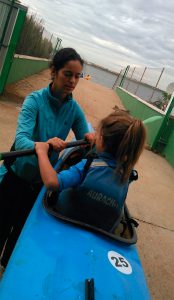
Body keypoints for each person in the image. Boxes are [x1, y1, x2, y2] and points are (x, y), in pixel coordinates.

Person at [0, 47, 95, 268]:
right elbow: (22, 139)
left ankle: (7, 270)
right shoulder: (34, 101)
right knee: (2, 225)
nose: (73, 81)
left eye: (77, 76)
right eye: (67, 74)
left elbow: (85, 142)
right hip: (15, 178)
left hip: (40, 185)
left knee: (21, 234)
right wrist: (45, 144)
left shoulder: (74, 109)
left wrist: (89, 139)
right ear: (54, 71)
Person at [35, 110, 146, 232]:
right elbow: (111, 160)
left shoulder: (87, 166)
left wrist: (42, 152)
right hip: (102, 231)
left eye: (98, 134)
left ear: (102, 140)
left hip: (66, 220)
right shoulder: (127, 174)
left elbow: (52, 182)